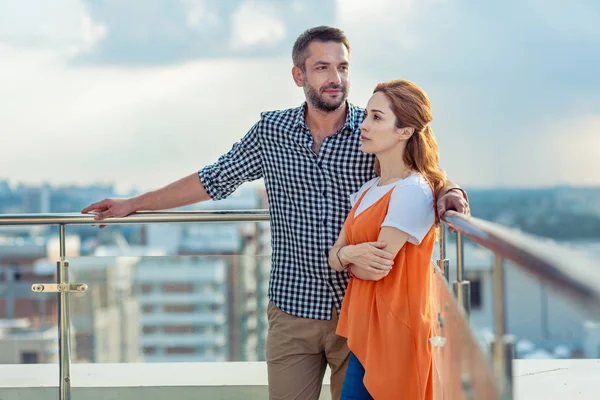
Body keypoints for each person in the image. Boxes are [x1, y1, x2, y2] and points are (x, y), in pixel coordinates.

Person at [81, 26, 469, 400]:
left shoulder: (371, 131)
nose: (336, 78)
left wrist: (450, 190)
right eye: (322, 68)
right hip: (292, 309)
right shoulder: (272, 131)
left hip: (360, 315)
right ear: (298, 75)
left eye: (343, 67)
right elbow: (213, 179)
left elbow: (417, 172)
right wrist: (134, 203)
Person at [329, 79, 442, 399]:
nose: (363, 125)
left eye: (377, 118)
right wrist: (350, 255)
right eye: (365, 115)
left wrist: (345, 256)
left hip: (396, 335)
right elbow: (335, 255)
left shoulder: (412, 190)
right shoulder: (369, 190)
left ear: (405, 131)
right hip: (369, 335)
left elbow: (374, 268)